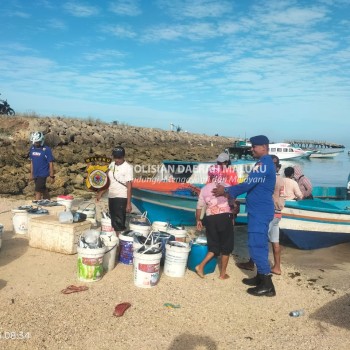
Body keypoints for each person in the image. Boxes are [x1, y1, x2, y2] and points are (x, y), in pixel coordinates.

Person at [213, 135, 276, 297]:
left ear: (263, 146)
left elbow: (248, 184)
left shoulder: (263, 164)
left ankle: (267, 285)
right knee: (258, 243)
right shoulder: (265, 163)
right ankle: (260, 278)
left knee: (257, 246)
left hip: (260, 211)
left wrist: (226, 191)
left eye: (254, 146)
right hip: (259, 210)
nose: (251, 149)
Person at [236, 155, 285, 275]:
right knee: (275, 241)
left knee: (259, 240)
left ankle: (256, 267)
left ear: (277, 167)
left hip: (268, 213)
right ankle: (277, 267)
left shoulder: (270, 179)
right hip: (278, 214)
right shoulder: (281, 180)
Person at [195, 165, 234, 280]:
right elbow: (232, 202)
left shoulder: (204, 189)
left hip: (210, 219)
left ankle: (201, 266)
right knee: (226, 246)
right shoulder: (226, 186)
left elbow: (199, 207)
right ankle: (222, 274)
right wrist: (233, 214)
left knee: (214, 247)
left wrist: (198, 220)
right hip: (224, 217)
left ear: (210, 175)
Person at [96, 146, 133, 234]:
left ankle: (120, 243)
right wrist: (101, 193)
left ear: (123, 156)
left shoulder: (128, 168)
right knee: (114, 221)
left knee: (119, 223)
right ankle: (116, 241)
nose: (117, 159)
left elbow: (129, 186)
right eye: (115, 157)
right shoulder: (112, 165)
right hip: (111, 196)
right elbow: (108, 180)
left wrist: (128, 203)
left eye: (119, 157)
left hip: (121, 197)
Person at [29, 131, 55, 200]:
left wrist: (52, 176)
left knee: (38, 190)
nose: (36, 143)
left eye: (37, 142)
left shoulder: (46, 149)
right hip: (35, 173)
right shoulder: (32, 148)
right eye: (35, 142)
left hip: (43, 173)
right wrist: (31, 174)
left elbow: (50, 163)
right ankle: (48, 200)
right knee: (43, 189)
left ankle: (37, 204)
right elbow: (32, 161)